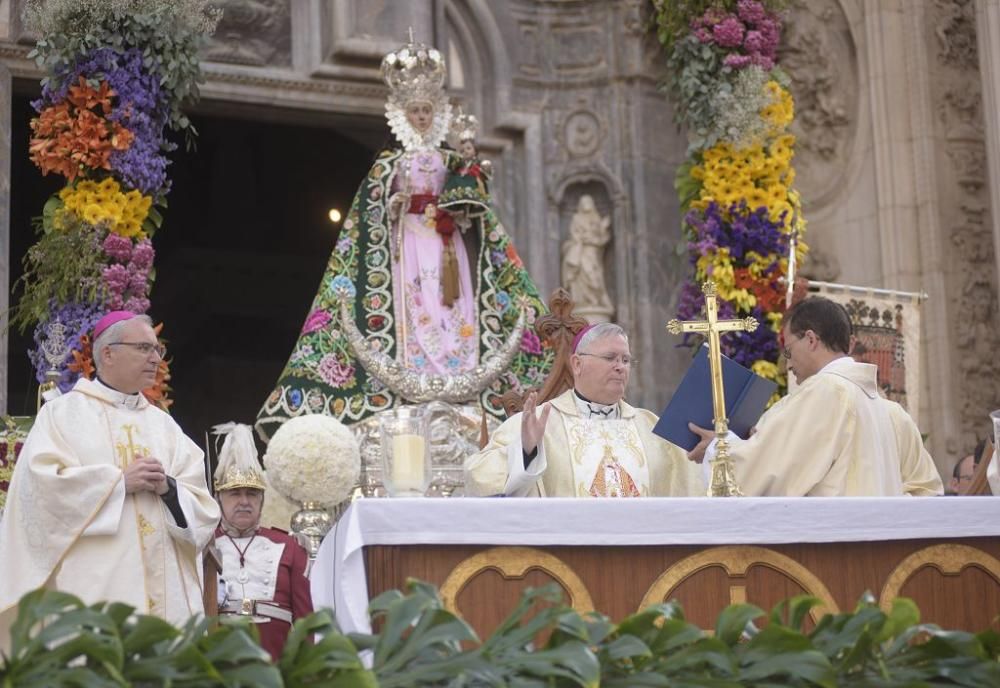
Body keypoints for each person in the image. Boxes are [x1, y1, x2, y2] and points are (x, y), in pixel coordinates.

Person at [256, 37, 550, 438]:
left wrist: (468, 180)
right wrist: (396, 202)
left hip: (448, 241)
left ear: (438, 112)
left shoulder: (450, 159)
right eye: (416, 110)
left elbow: (474, 195)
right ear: (402, 113)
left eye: (428, 109)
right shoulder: (389, 163)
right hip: (409, 241)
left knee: (453, 304)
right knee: (415, 297)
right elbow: (372, 205)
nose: (423, 116)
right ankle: (417, 363)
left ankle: (455, 364)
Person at [0, 311, 220, 651]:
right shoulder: (63, 416)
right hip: (94, 595)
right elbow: (41, 493)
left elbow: (203, 511)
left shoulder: (165, 427)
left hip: (168, 609)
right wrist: (117, 483)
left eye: (156, 350)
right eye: (144, 348)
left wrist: (168, 489)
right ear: (108, 353)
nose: (155, 359)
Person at [688, 297, 943, 496]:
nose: (787, 364)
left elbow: (768, 472)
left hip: (832, 552)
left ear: (810, 339)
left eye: (788, 351)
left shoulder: (826, 391)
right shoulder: (884, 408)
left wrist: (716, 448)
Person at [465, 323, 704, 497]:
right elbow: (480, 478)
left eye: (625, 360)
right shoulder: (538, 423)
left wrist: (713, 447)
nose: (620, 367)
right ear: (577, 364)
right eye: (610, 358)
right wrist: (526, 452)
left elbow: (701, 479)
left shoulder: (651, 427)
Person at [212, 424, 312, 660]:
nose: (244, 501)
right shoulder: (203, 546)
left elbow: (306, 619)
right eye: (235, 494)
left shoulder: (290, 546)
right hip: (220, 661)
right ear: (218, 499)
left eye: (252, 494)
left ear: (262, 500)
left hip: (276, 661)